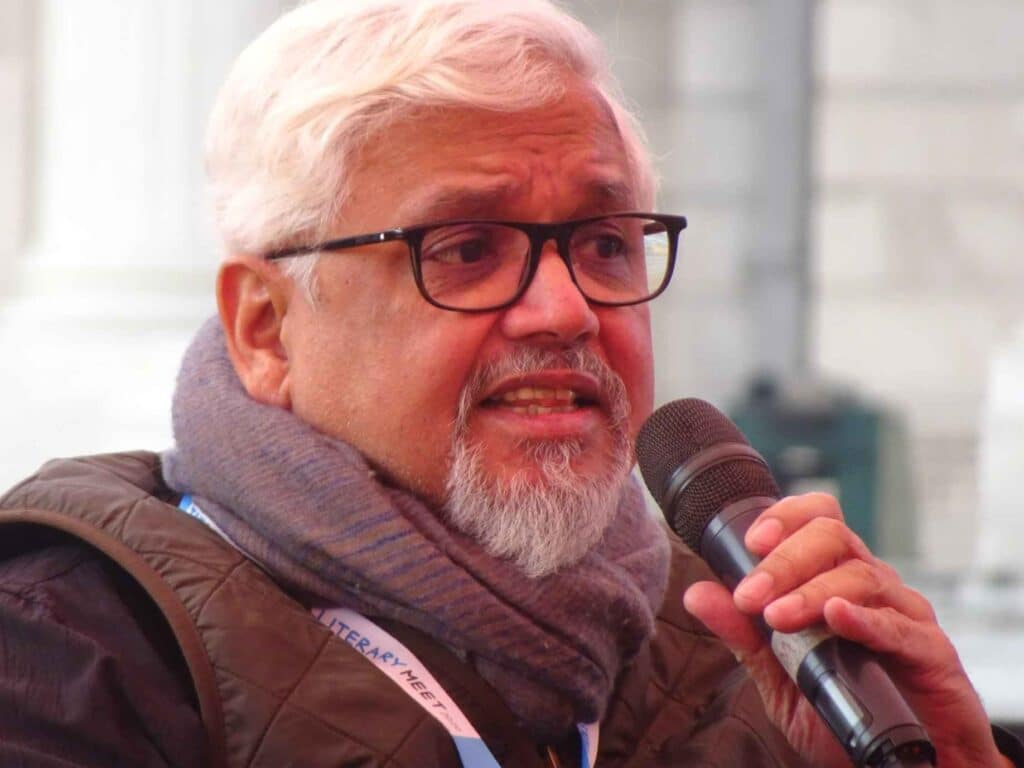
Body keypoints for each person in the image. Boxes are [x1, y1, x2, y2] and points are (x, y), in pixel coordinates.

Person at [0, 1, 1020, 766]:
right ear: (266, 329)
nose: (565, 309)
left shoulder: (762, 651)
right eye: (465, 249)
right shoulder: (71, 656)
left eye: (605, 244)